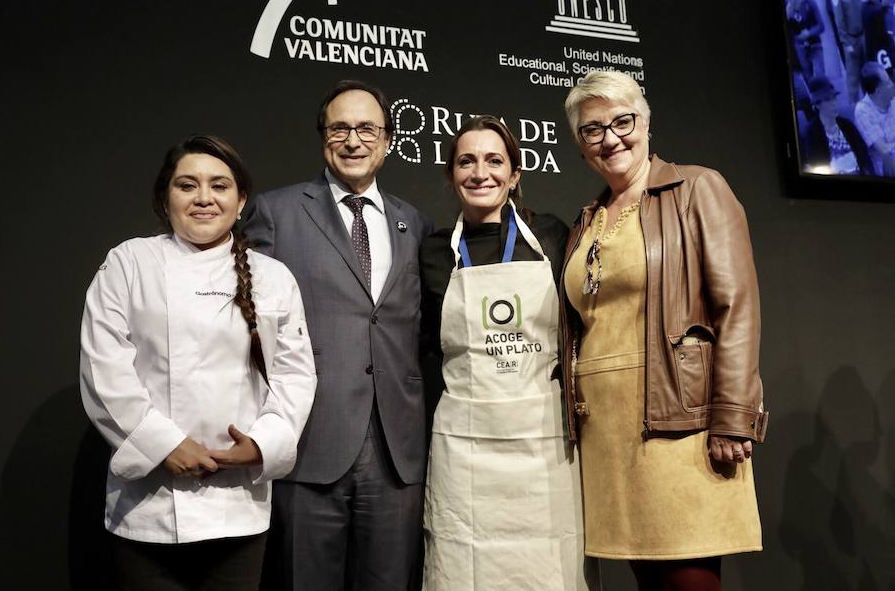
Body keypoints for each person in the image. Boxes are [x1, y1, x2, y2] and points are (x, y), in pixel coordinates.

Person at [559, 71, 769, 591]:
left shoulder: (697, 188)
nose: (610, 138)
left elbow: (736, 304)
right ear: (580, 145)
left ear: (646, 122)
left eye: (622, 121)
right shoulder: (588, 218)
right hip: (606, 435)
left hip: (681, 428)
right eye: (592, 130)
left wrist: (733, 416)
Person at [79, 134, 317, 591]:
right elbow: (102, 368)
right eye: (187, 185)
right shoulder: (129, 263)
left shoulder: (273, 277)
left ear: (241, 198)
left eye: (220, 186)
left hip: (238, 503)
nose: (204, 198)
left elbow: (294, 375)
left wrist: (263, 444)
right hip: (147, 504)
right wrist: (164, 444)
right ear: (165, 196)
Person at [244, 79, 433, 591]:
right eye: (341, 128)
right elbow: (246, 325)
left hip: (398, 453)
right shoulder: (277, 212)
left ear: (389, 141)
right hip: (310, 442)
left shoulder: (414, 224)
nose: (354, 140)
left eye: (367, 128)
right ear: (323, 136)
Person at [419, 116, 592, 590]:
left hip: (542, 444)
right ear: (452, 174)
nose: (481, 173)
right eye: (466, 161)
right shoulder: (434, 251)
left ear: (515, 174)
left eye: (495, 161)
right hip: (465, 445)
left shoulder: (554, 237)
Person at [803, 75, 862, 174]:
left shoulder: (847, 125)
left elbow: (863, 156)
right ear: (817, 105)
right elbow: (817, 167)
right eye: (827, 100)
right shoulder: (812, 134)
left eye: (834, 98)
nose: (833, 103)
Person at [854, 61, 895, 175]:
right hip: (887, 168)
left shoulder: (893, 100)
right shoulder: (863, 111)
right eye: (888, 82)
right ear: (878, 91)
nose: (893, 84)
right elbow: (885, 151)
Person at [830, 0, 865, 102]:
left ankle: (869, 102)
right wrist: (846, 43)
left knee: (866, 73)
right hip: (851, 40)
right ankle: (854, 106)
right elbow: (839, 22)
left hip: (862, 37)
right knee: (853, 78)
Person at [786, 0, 826, 80]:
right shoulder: (787, 4)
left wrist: (808, 33)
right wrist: (788, 14)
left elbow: (821, 26)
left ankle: (825, 91)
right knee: (807, 77)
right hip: (800, 48)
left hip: (815, 44)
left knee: (820, 75)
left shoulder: (810, 1)